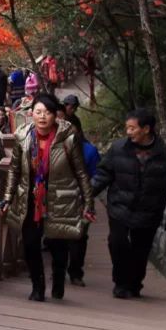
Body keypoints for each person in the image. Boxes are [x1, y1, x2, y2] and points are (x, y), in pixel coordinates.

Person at [0, 94, 95, 301]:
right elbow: (14, 170)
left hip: (60, 199)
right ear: (31, 113)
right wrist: (7, 197)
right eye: (38, 112)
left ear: (55, 116)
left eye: (48, 113)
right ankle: (38, 286)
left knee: (58, 246)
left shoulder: (67, 139)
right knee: (31, 243)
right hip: (30, 200)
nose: (43, 117)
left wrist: (88, 203)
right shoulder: (23, 137)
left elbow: (81, 173)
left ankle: (58, 281)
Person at [91, 108, 166, 299]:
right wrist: (86, 194)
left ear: (146, 129)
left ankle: (134, 283)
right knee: (117, 243)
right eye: (127, 128)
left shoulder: (165, 152)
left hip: (149, 209)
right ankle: (120, 282)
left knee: (141, 249)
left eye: (132, 128)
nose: (128, 132)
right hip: (120, 206)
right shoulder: (118, 148)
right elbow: (103, 174)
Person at [66, 114, 100, 286]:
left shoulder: (90, 151)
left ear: (78, 129)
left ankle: (76, 272)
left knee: (80, 236)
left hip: (81, 198)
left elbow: (96, 176)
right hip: (58, 197)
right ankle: (59, 270)